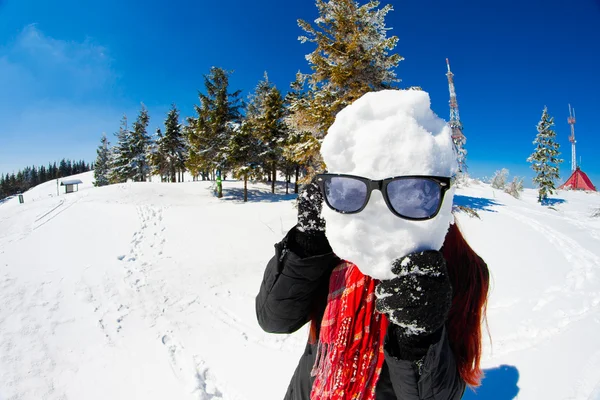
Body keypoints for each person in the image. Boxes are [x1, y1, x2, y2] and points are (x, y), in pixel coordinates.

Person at [256, 90, 490, 400]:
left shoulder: (460, 268)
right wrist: (307, 242)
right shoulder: (337, 243)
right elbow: (274, 319)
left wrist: (419, 340)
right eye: (359, 184)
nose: (381, 206)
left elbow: (443, 393)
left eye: (412, 193)